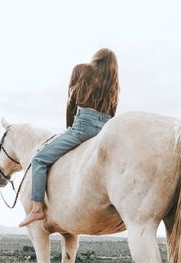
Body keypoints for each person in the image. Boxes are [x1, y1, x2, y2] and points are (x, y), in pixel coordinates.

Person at [19, 48, 119, 227]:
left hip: (83, 125)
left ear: (96, 58)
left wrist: (69, 128)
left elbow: (71, 103)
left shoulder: (81, 69)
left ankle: (36, 208)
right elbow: (112, 113)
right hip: (105, 129)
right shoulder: (113, 84)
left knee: (40, 159)